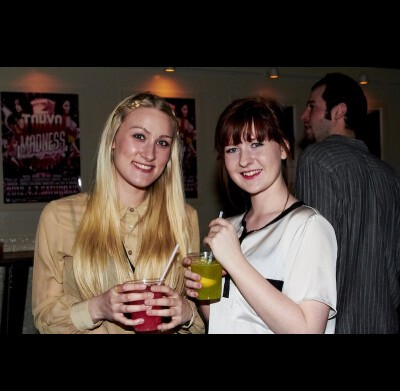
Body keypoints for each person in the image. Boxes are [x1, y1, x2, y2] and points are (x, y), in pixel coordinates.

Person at [32, 92, 205, 334]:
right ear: (113, 139)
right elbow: (44, 318)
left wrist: (186, 314)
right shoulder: (59, 216)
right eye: (139, 136)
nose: (150, 154)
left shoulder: (184, 218)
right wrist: (97, 308)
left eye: (162, 143)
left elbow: (197, 323)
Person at [185, 96, 337, 334]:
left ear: (283, 148)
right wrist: (200, 294)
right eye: (233, 149)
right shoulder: (231, 227)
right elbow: (227, 321)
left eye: (256, 144)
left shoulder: (309, 227)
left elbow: (307, 330)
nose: (244, 160)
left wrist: (235, 262)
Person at [295, 72, 400, 334]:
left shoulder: (316, 159)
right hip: (386, 322)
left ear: (339, 111)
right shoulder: (388, 174)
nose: (304, 116)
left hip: (336, 324)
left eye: (312, 106)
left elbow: (315, 259)